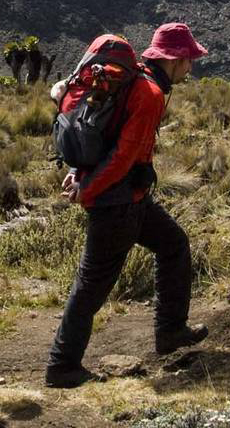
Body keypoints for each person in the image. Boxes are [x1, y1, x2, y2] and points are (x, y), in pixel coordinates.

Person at [45, 23, 210, 389]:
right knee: (91, 286)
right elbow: (122, 156)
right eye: (190, 60)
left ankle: (170, 332)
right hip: (117, 204)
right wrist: (87, 188)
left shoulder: (133, 86)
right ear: (176, 60)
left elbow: (102, 137)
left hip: (130, 199)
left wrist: (80, 173)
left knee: (174, 245)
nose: (192, 68)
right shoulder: (148, 93)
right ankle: (62, 366)